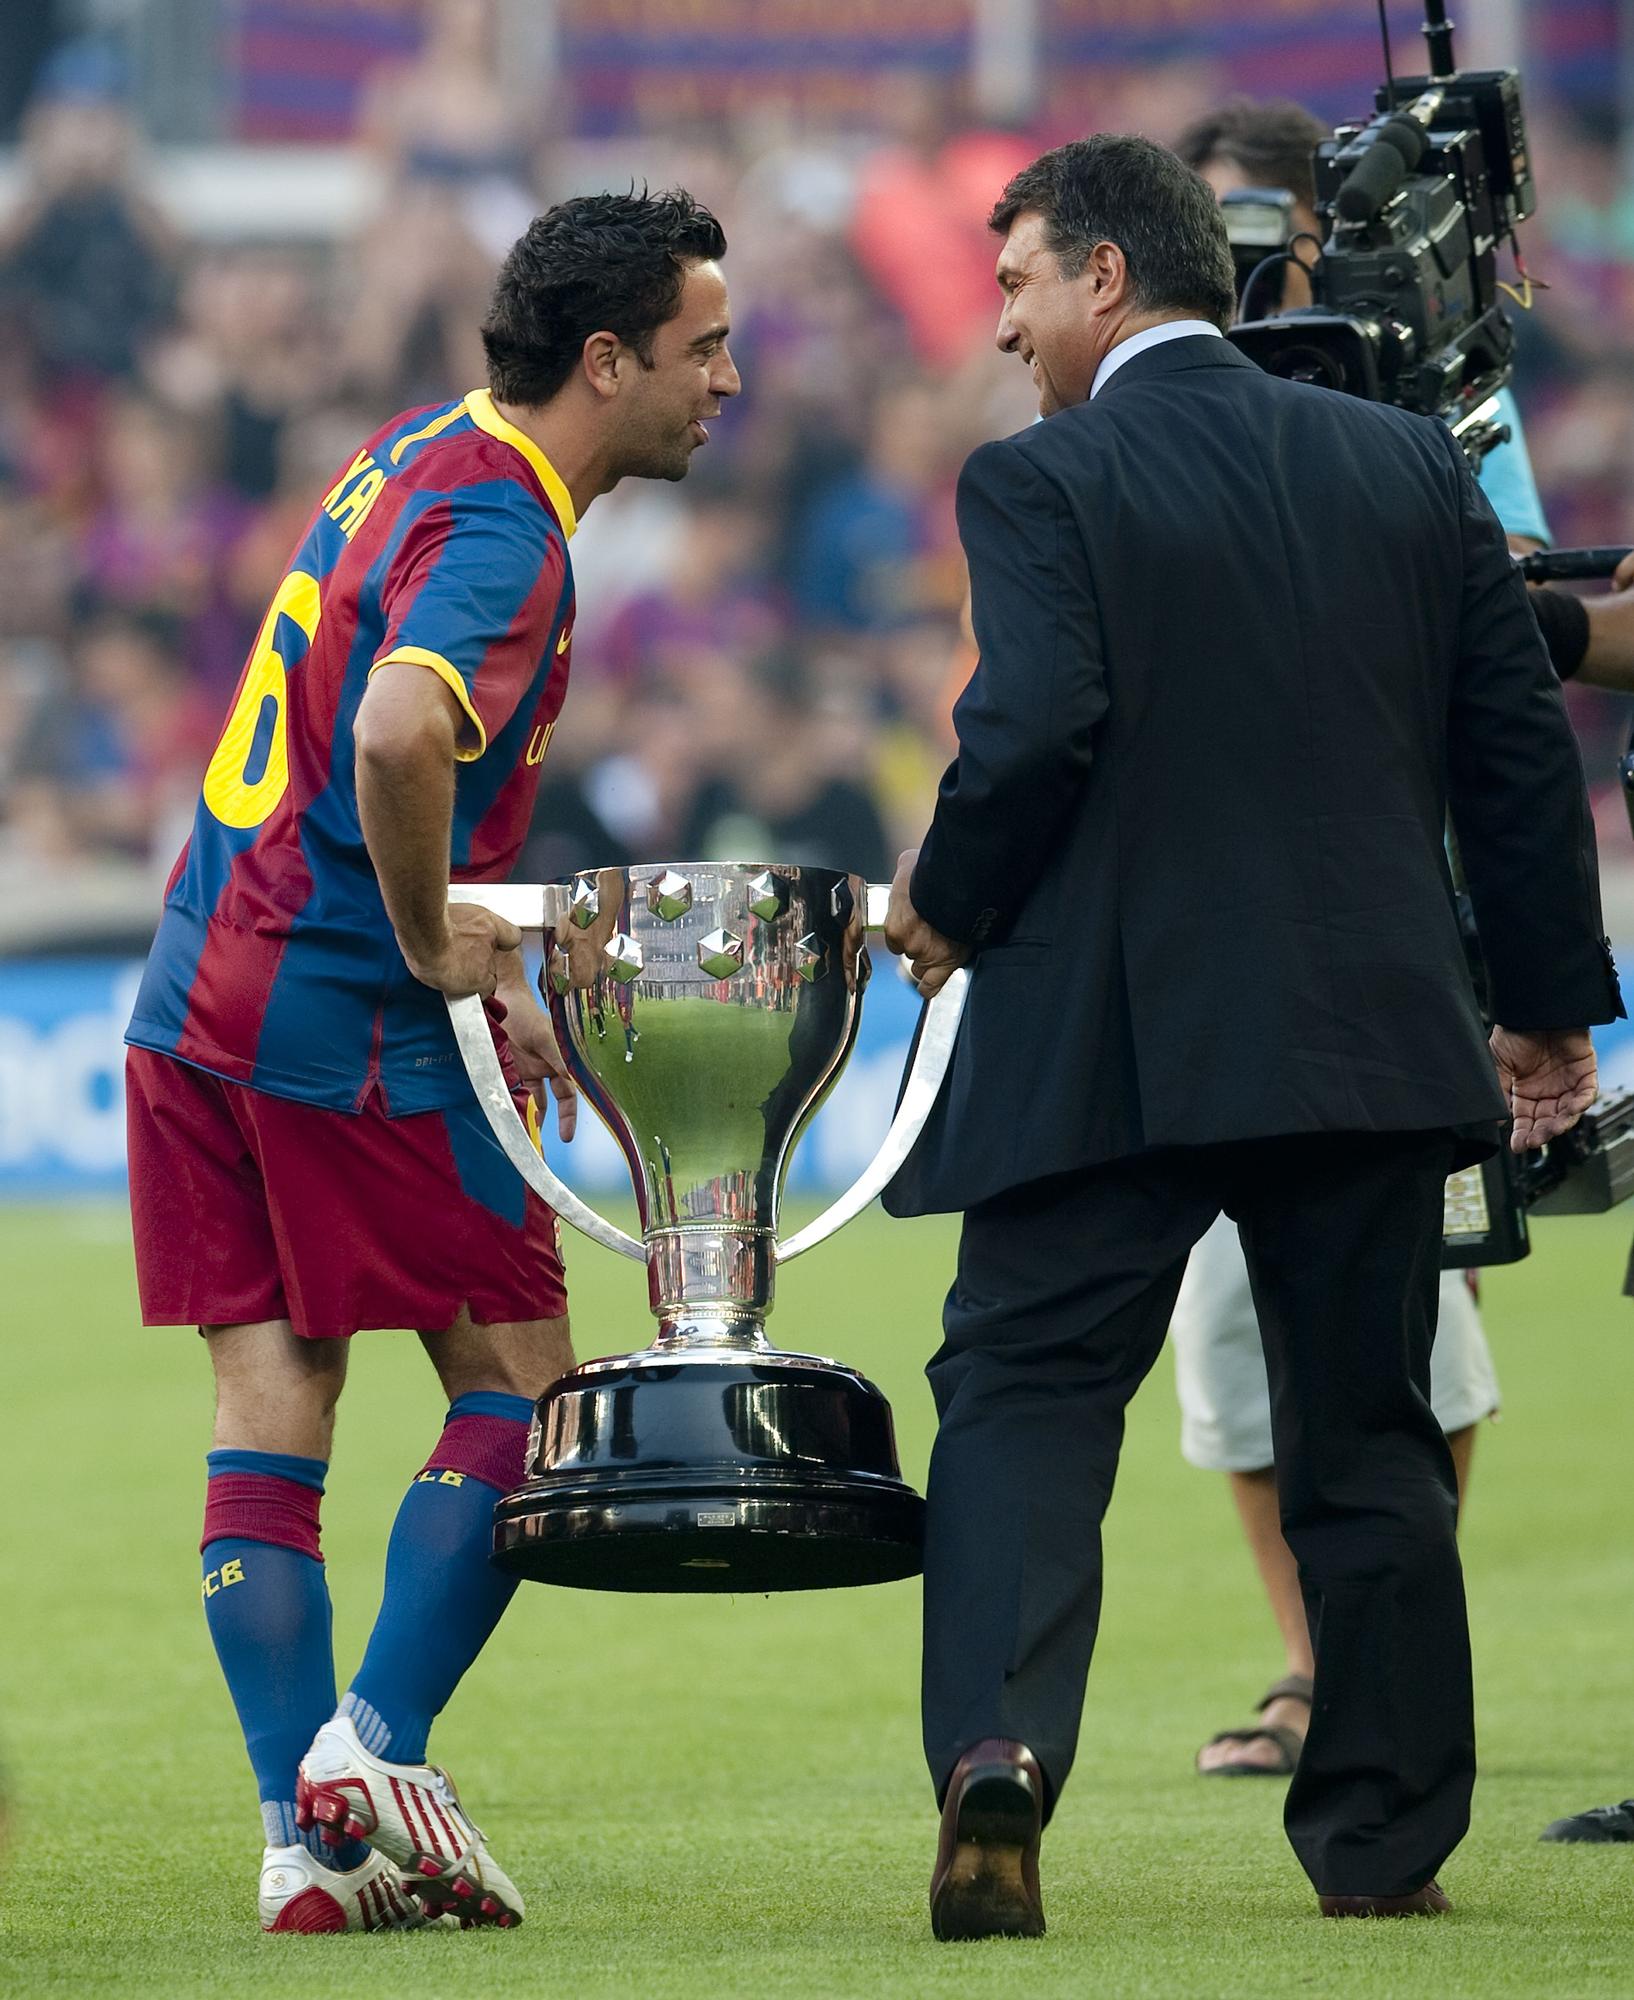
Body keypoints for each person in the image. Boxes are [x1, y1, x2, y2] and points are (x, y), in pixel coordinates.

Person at [882, 134, 1622, 1940]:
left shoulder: (1040, 479)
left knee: (1022, 1409)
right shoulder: (1398, 466)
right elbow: (1514, 753)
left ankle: (996, 1752)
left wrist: (947, 901)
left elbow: (1037, 722)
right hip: (1360, 1033)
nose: (1006, 335)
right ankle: (1379, 1841)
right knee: (1362, 1437)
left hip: (1097, 1037)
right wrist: (1537, 1012)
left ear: (1107, 280)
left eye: (1021, 288)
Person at [122, 189, 739, 1934]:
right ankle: (365, 1755)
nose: (731, 380)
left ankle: (297, 1854)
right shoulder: (512, 536)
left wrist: (473, 944)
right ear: (606, 362)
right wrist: (431, 947)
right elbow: (398, 727)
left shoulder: (418, 451)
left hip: (196, 991)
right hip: (338, 1009)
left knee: (273, 1406)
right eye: (704, 349)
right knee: (530, 1395)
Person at [1169, 93, 1552, 1778]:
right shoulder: (1139, 418)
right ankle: (1319, 1656)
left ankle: (1365, 1656)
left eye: (1267, 237)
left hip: (1392, 926)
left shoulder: (1439, 412)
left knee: (1408, 1329)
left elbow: (1523, 633)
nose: (1249, 277)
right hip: (1195, 929)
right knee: (1230, 1339)